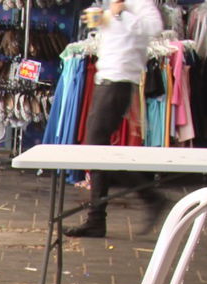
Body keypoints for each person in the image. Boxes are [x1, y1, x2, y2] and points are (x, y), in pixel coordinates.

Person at [63, 0, 165, 238]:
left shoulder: (140, 4)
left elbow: (154, 28)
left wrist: (122, 14)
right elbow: (95, 23)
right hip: (105, 82)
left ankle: (148, 197)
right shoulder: (115, 6)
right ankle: (99, 218)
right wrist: (105, 15)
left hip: (118, 84)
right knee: (97, 151)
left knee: (96, 150)